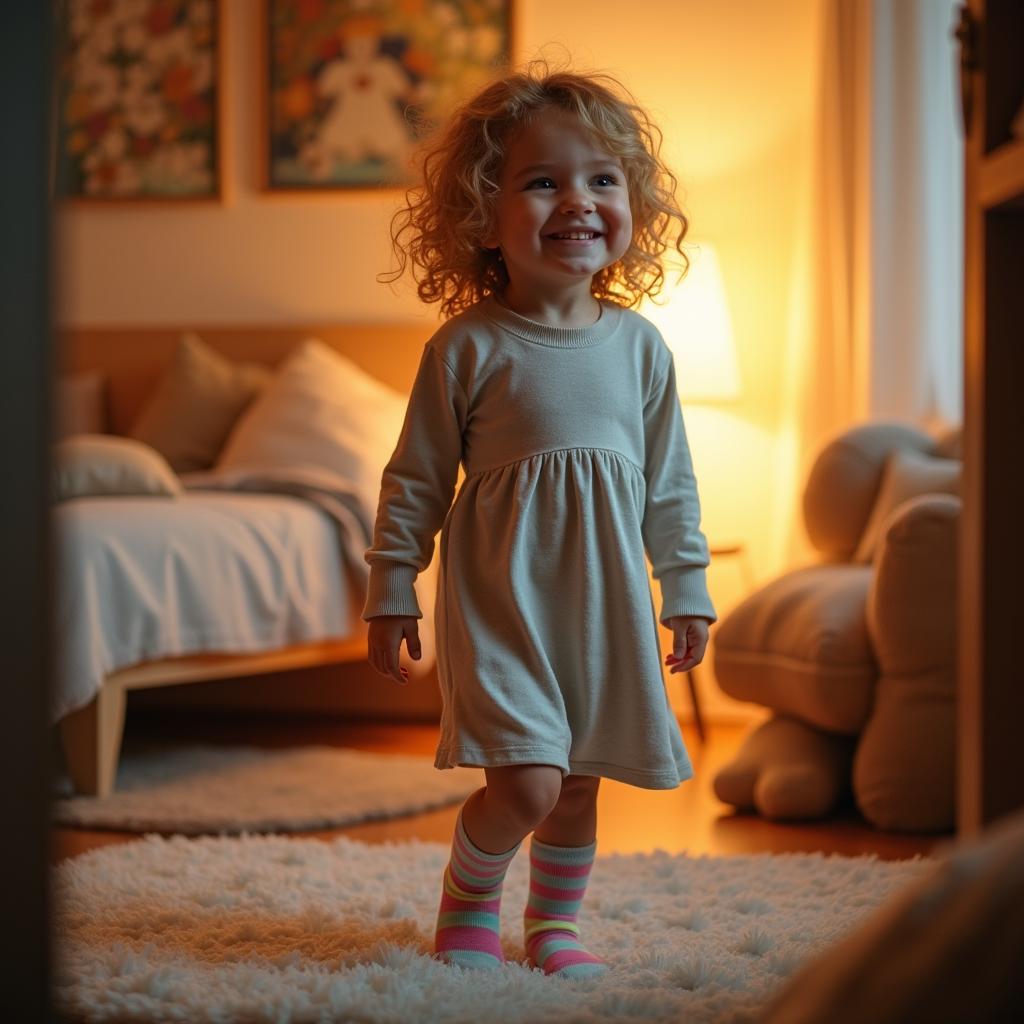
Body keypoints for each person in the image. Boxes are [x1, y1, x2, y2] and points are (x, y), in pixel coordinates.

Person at [361, 62, 717, 978]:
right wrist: (391, 584)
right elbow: (416, 480)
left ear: (633, 204)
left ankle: (554, 926)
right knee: (527, 780)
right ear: (484, 214)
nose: (579, 201)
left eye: (603, 179)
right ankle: (470, 904)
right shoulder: (468, 347)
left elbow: (670, 482)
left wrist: (687, 586)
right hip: (501, 604)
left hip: (601, 605)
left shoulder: (641, 347)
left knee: (581, 779)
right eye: (543, 181)